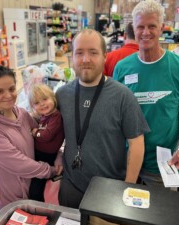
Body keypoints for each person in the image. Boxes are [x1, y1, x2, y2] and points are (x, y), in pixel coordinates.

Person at [56, 29, 149, 208]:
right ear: (72, 57)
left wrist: (127, 187)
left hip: (110, 190)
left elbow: (137, 144)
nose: (85, 59)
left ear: (104, 56)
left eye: (93, 52)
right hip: (71, 185)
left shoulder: (123, 96)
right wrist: (57, 155)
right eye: (79, 53)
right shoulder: (62, 95)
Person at [113, 0, 179, 186]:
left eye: (152, 26)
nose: (145, 32)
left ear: (161, 28)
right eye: (140, 26)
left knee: (163, 214)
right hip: (126, 162)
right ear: (133, 29)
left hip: (163, 164)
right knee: (122, 212)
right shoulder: (122, 68)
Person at [0, 66, 58, 213]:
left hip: (32, 192)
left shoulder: (21, 113)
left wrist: (58, 157)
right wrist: (50, 170)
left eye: (12, 89)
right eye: (0, 91)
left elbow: (43, 140)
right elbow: (18, 163)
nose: (8, 95)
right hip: (10, 201)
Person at [28, 84, 64, 202]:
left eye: (45, 99)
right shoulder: (45, 116)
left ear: (53, 98)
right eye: (37, 103)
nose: (42, 104)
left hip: (45, 156)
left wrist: (35, 132)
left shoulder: (56, 117)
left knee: (36, 187)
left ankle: (38, 209)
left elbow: (45, 136)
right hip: (40, 154)